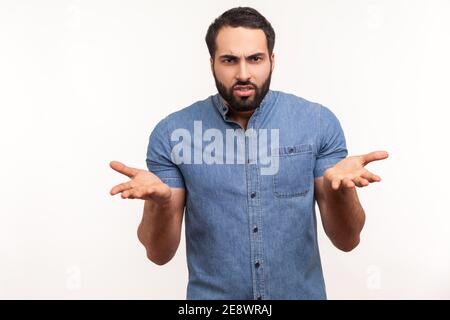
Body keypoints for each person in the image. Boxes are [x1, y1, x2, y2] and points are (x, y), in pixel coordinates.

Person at [110, 7, 389, 300]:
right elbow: (158, 253)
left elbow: (348, 241)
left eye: (254, 59)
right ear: (212, 64)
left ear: (272, 60)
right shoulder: (172, 133)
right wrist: (162, 203)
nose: (243, 74)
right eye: (229, 60)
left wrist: (341, 192)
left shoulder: (317, 123)